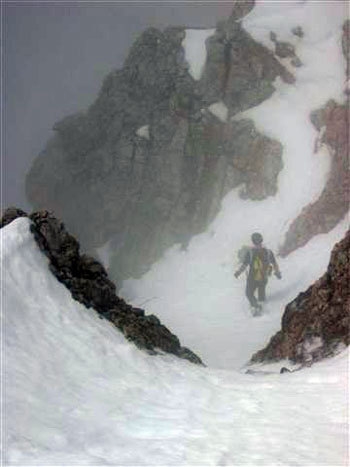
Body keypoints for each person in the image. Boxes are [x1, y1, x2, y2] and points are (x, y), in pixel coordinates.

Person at [234, 232, 281, 313]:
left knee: (249, 294)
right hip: (264, 278)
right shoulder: (268, 252)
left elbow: (244, 265)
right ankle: (264, 311)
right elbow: (274, 263)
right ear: (261, 240)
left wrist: (238, 272)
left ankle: (256, 307)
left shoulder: (250, 253)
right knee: (261, 297)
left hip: (252, 278)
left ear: (252, 241)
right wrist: (277, 273)